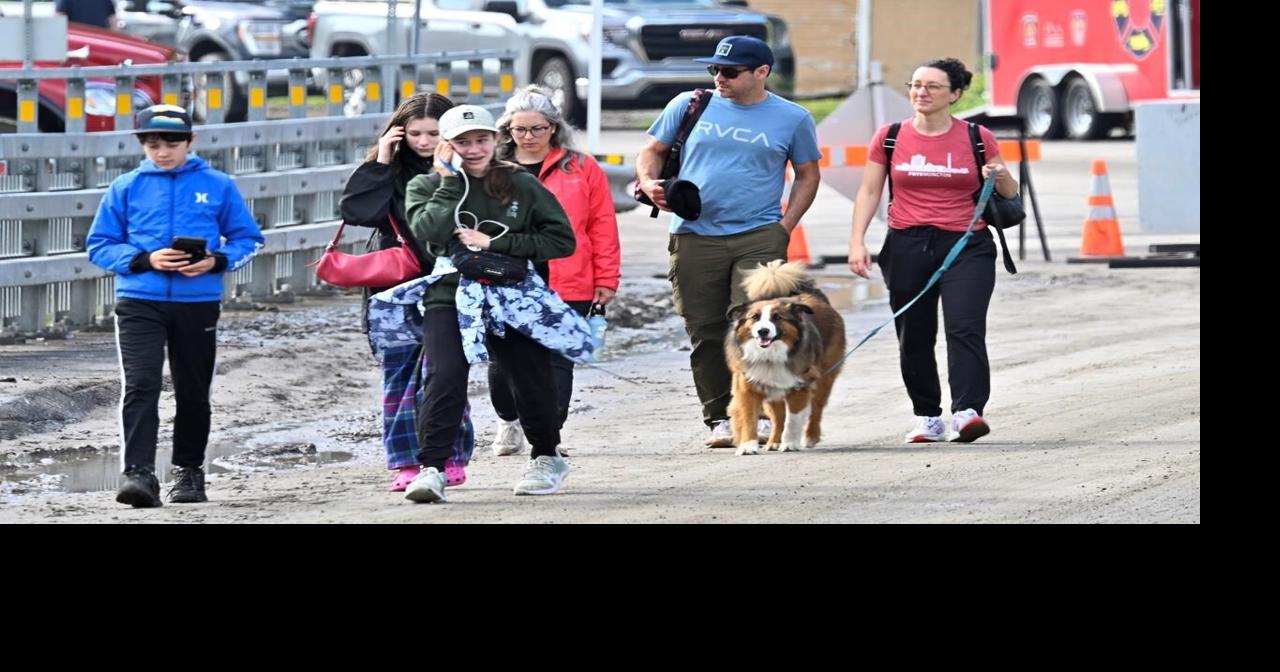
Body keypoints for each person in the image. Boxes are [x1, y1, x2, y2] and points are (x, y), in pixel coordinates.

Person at [635, 35, 822, 447]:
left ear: (762, 72)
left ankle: (760, 415)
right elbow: (652, 150)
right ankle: (720, 417)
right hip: (693, 234)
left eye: (730, 72)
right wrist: (648, 182)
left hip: (759, 235)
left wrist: (785, 226)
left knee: (756, 324)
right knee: (704, 330)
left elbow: (808, 174)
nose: (719, 78)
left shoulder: (792, 118)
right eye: (715, 69)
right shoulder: (689, 105)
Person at [86, 104, 264, 508]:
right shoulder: (126, 186)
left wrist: (216, 261)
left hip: (197, 302)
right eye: (153, 144)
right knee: (141, 383)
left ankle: (189, 471)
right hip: (139, 301)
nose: (162, 151)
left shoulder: (218, 185)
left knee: (193, 388)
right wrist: (144, 259)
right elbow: (99, 244)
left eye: (172, 143)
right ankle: (138, 473)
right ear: (142, 144)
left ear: (190, 141)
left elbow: (249, 239)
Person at [403, 104, 579, 503]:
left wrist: (496, 242)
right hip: (450, 294)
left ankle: (546, 456)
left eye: (481, 139)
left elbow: (561, 240)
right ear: (445, 145)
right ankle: (432, 468)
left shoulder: (520, 183)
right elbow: (428, 232)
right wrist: (450, 182)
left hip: (511, 292)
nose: (473, 149)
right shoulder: (425, 186)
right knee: (445, 375)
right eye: (462, 142)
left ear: (496, 139)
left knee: (528, 374)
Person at [847, 57, 1018, 444]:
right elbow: (870, 191)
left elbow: (1009, 192)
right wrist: (857, 242)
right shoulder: (890, 136)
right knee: (913, 333)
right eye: (916, 85)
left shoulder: (977, 137)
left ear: (955, 94)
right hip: (907, 244)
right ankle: (927, 416)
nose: (921, 92)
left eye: (932, 86)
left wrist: (1000, 175)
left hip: (967, 245)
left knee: (964, 327)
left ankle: (968, 411)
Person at [339, 93, 476, 492]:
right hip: (395, 286)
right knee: (399, 373)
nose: (424, 141)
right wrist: (382, 160)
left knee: (444, 373)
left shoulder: (469, 169)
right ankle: (405, 462)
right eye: (415, 133)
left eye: (434, 133)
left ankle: (450, 455)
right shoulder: (390, 170)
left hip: (450, 282)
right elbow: (358, 213)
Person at [486, 85, 621, 457]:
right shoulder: (491, 169)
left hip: (569, 278)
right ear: (507, 130)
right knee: (505, 362)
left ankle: (549, 438)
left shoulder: (582, 167)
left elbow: (602, 225)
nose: (529, 137)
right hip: (505, 279)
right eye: (520, 129)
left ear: (554, 128)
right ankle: (508, 418)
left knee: (558, 361)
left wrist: (606, 278)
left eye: (538, 128)